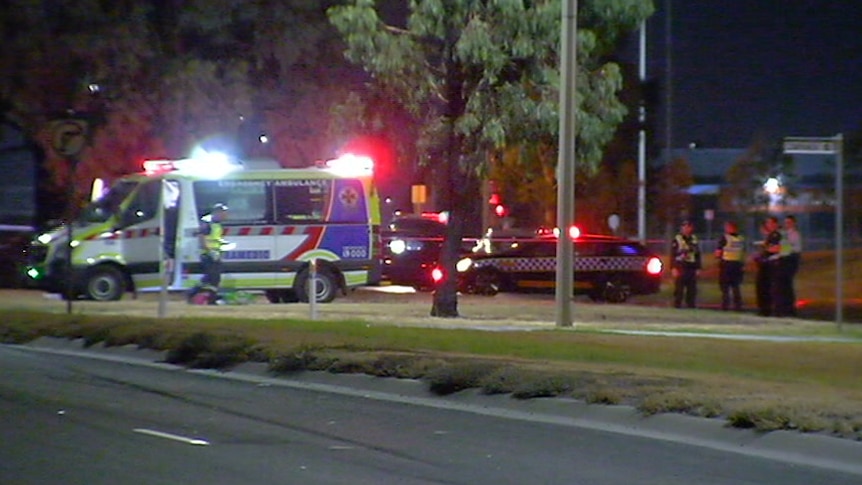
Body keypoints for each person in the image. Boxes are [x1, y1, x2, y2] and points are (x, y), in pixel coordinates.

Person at [187, 203, 229, 304]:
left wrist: (223, 244)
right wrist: (210, 251)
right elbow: (202, 237)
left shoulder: (217, 223)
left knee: (215, 278)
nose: (225, 215)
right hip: (208, 254)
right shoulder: (208, 222)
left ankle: (211, 299)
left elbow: (214, 238)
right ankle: (193, 293)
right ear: (217, 212)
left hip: (215, 253)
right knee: (211, 277)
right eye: (223, 213)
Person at [714, 220, 745, 311]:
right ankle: (738, 306)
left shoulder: (724, 238)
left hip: (727, 264)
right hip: (737, 264)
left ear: (730, 228)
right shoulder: (741, 238)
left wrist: (717, 257)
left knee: (725, 287)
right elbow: (742, 252)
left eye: (727, 227)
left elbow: (718, 252)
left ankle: (725, 306)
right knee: (736, 287)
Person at [670, 220, 701, 308]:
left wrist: (698, 268)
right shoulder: (677, 239)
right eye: (684, 227)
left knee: (692, 289)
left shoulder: (694, 239)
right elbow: (673, 254)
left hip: (691, 266)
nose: (686, 229)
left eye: (688, 227)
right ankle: (677, 305)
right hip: (680, 266)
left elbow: (698, 254)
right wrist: (673, 267)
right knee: (679, 289)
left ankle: (691, 306)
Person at [781, 215, 802, 316]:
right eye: (786, 222)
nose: (787, 224)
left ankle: (790, 307)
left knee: (788, 284)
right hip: (786, 259)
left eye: (789, 222)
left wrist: (786, 248)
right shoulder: (785, 234)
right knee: (785, 284)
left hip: (791, 259)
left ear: (794, 223)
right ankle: (786, 305)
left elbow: (796, 248)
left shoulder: (794, 234)